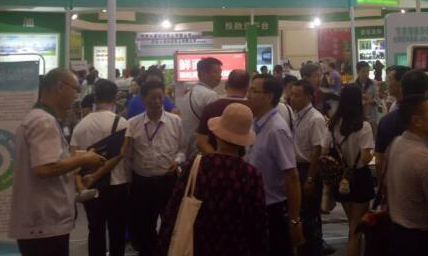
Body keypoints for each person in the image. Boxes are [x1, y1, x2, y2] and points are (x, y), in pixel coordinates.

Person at [8, 68, 105, 256]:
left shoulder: (39, 118)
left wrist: (74, 170)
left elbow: (50, 163)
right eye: (76, 89)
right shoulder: (43, 121)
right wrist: (83, 158)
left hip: (43, 223)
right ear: (60, 87)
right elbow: (44, 168)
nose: (76, 96)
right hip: (44, 223)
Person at [157, 103, 268, 256]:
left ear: (217, 135)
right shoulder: (251, 175)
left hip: (195, 245)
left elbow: (173, 210)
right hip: (236, 247)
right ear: (244, 141)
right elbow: (258, 224)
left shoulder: (195, 166)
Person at [385, 94, 428, 256]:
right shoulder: (426, 160)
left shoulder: (396, 143)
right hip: (421, 241)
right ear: (417, 121)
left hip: (397, 233)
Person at [124, 80, 186, 256]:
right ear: (143, 99)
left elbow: (182, 149)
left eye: (160, 97)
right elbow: (128, 156)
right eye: (153, 98)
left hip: (168, 181)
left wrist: (177, 160)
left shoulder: (175, 121)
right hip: (142, 183)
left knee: (171, 224)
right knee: (144, 227)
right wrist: (128, 182)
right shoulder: (133, 124)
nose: (158, 101)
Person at [375, 70, 428, 202]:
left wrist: (385, 192)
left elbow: (379, 161)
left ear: (401, 90)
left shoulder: (386, 121)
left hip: (397, 190)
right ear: (426, 92)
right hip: (426, 192)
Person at [70, 79, 129, 256]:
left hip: (90, 186)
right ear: (115, 97)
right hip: (117, 183)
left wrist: (80, 184)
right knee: (117, 230)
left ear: (95, 97)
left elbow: (73, 158)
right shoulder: (122, 123)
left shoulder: (81, 125)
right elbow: (123, 154)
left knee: (95, 229)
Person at [246, 75, 304, 256]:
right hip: (256, 208)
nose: (248, 95)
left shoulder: (276, 129)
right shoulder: (255, 124)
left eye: (254, 91)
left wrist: (294, 220)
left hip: (273, 210)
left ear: (269, 96)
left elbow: (291, 176)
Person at [324, 84, 375, 256]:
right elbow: (366, 158)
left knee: (352, 222)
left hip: (340, 177)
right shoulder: (364, 125)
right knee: (356, 228)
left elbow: (324, 149)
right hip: (360, 177)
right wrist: (373, 152)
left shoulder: (332, 124)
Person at [290, 80, 327, 256]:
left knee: (310, 214)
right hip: (297, 167)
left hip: (308, 169)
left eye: (297, 95)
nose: (292, 98)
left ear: (309, 97)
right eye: (291, 94)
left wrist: (310, 178)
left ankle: (312, 249)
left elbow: (317, 149)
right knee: (301, 213)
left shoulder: (315, 118)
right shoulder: (296, 115)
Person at [196, 69, 250, 155]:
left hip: (215, 161)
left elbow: (201, 142)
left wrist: (219, 159)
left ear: (226, 85)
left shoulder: (211, 108)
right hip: (246, 161)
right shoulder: (253, 108)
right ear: (247, 88)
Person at [178, 57, 222, 157]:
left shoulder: (188, 94)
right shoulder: (210, 95)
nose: (220, 76)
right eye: (216, 72)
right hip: (203, 150)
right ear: (202, 74)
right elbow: (215, 128)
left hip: (187, 149)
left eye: (220, 72)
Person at [356, 61, 378, 135]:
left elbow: (378, 100)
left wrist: (370, 99)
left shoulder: (374, 83)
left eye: (368, 71)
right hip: (358, 118)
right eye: (363, 71)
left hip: (372, 117)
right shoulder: (353, 84)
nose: (366, 73)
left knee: (373, 137)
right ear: (358, 72)